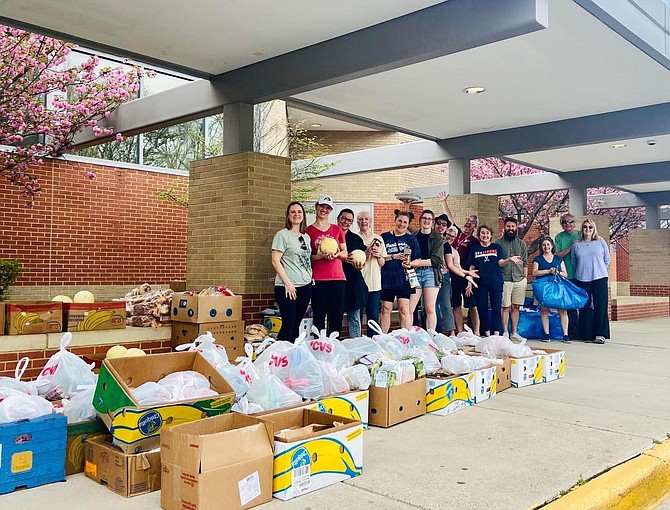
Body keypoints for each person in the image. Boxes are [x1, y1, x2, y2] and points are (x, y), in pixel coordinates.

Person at [270, 201, 313, 342]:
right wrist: (287, 282)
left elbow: (303, 258)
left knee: (296, 325)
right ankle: (280, 356)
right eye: (293, 212)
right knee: (288, 324)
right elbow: (275, 260)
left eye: (299, 212)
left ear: (303, 216)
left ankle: (291, 357)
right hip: (288, 287)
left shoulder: (305, 237)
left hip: (305, 286)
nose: (296, 214)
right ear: (288, 216)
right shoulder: (282, 235)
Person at [439, 191, 480, 335]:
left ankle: (476, 332)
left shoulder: (475, 241)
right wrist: (444, 202)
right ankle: (460, 331)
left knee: (472, 305)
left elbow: (473, 262)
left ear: (475, 227)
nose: (468, 223)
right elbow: (450, 218)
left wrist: (469, 280)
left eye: (472, 222)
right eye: (467, 221)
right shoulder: (456, 233)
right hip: (453, 275)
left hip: (465, 275)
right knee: (455, 304)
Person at [305, 195, 347, 336]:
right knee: (319, 315)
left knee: (336, 315)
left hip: (337, 277)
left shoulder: (337, 230)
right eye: (322, 206)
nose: (324, 210)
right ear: (317, 207)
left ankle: (334, 345)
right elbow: (306, 257)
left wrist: (336, 255)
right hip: (319, 278)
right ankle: (319, 346)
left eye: (328, 208)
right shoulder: (308, 231)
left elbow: (345, 253)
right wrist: (319, 256)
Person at [380, 210, 421, 333]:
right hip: (387, 278)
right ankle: (383, 337)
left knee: (404, 309)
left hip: (403, 278)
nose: (402, 224)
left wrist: (410, 263)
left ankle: (406, 337)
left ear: (408, 224)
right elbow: (379, 257)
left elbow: (418, 259)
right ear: (395, 221)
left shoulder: (411, 239)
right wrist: (394, 257)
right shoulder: (384, 237)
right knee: (385, 309)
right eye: (400, 221)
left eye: (405, 222)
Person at [465, 225, 509, 337]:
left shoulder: (496, 247)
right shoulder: (475, 248)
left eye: (487, 233)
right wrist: (469, 282)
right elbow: (472, 267)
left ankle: (497, 333)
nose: (485, 235)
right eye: (483, 233)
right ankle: (486, 333)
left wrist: (509, 260)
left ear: (491, 235)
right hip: (480, 283)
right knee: (481, 308)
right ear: (479, 235)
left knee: (496, 307)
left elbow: (500, 262)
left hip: (495, 281)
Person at [571, 219, 611, 344]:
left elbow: (607, 259)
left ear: (594, 229)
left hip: (599, 277)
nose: (587, 229)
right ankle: (586, 334)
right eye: (585, 227)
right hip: (582, 278)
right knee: (585, 307)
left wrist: (599, 269)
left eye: (590, 227)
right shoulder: (576, 244)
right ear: (582, 229)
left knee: (600, 305)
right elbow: (574, 261)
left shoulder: (600, 242)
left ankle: (600, 334)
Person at [408, 210, 444, 331]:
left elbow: (437, 260)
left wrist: (419, 262)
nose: (426, 221)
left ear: (432, 222)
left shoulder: (437, 238)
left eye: (429, 219)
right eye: (424, 218)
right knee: (410, 308)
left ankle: (430, 336)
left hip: (430, 273)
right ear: (420, 220)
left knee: (429, 308)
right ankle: (407, 335)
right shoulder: (413, 236)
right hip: (414, 273)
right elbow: (408, 253)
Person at [532, 236, 571, 343]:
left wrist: (557, 272)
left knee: (562, 310)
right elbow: (534, 272)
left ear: (552, 246)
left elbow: (565, 274)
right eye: (544, 245)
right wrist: (547, 271)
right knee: (544, 310)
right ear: (541, 247)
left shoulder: (558, 259)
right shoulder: (538, 259)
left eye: (548, 244)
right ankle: (546, 334)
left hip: (557, 287)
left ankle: (566, 334)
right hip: (543, 288)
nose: (546, 247)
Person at [497, 217, 528, 341]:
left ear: (516, 228)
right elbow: (497, 263)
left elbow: (525, 262)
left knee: (516, 307)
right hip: (505, 279)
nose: (510, 229)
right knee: (505, 306)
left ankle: (514, 332)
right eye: (508, 226)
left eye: (512, 226)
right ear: (504, 227)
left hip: (519, 280)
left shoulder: (521, 243)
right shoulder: (498, 244)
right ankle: (505, 332)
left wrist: (524, 278)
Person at [338, 208, 368, 338]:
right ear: (338, 218)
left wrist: (359, 264)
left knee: (355, 317)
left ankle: (356, 345)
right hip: (335, 281)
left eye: (349, 220)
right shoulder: (330, 235)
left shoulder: (356, 239)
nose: (346, 222)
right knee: (335, 316)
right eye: (343, 218)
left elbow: (362, 261)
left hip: (353, 283)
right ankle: (332, 345)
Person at [357, 210, 386, 335]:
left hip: (374, 284)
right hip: (358, 283)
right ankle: (358, 340)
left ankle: (373, 341)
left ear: (370, 221)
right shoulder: (355, 237)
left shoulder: (378, 238)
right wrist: (366, 254)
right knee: (356, 316)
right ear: (357, 222)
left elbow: (383, 262)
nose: (364, 222)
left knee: (373, 315)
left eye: (366, 219)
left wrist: (378, 255)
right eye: (361, 219)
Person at [554, 213, 581, 339]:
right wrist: (571, 247)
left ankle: (585, 330)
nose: (567, 224)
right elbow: (558, 255)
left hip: (581, 275)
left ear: (574, 223)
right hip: (566, 276)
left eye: (570, 222)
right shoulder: (559, 237)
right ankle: (572, 332)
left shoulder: (580, 234)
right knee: (569, 306)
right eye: (564, 222)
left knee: (583, 304)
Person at [434, 214, 455, 334]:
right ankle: (436, 331)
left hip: (443, 276)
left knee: (446, 303)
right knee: (431, 305)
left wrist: (466, 274)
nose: (441, 226)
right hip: (429, 274)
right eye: (439, 223)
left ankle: (451, 332)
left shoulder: (446, 244)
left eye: (444, 225)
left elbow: (450, 264)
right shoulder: (428, 238)